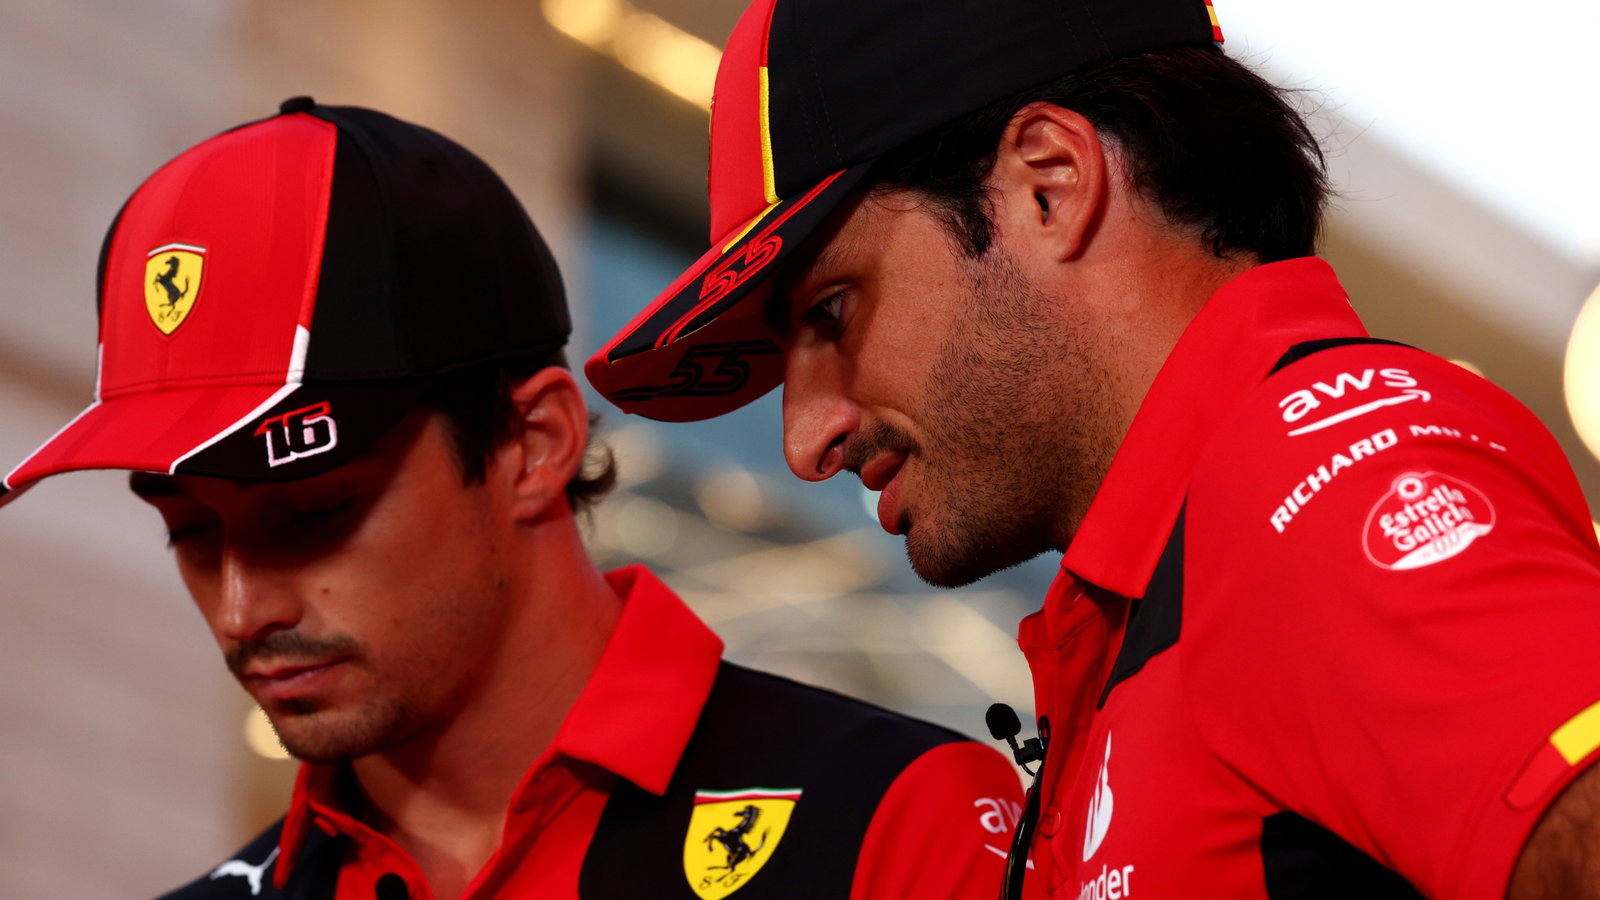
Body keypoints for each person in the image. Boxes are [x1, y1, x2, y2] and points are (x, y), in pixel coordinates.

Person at [583, 0, 1600, 897]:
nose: (805, 437)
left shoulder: (1306, 482)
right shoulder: (1178, 572)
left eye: (832, 312)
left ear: (1050, 186)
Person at [0, 97, 1034, 900]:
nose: (241, 610)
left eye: (313, 514)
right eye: (190, 534)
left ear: (533, 444)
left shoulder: (897, 829)